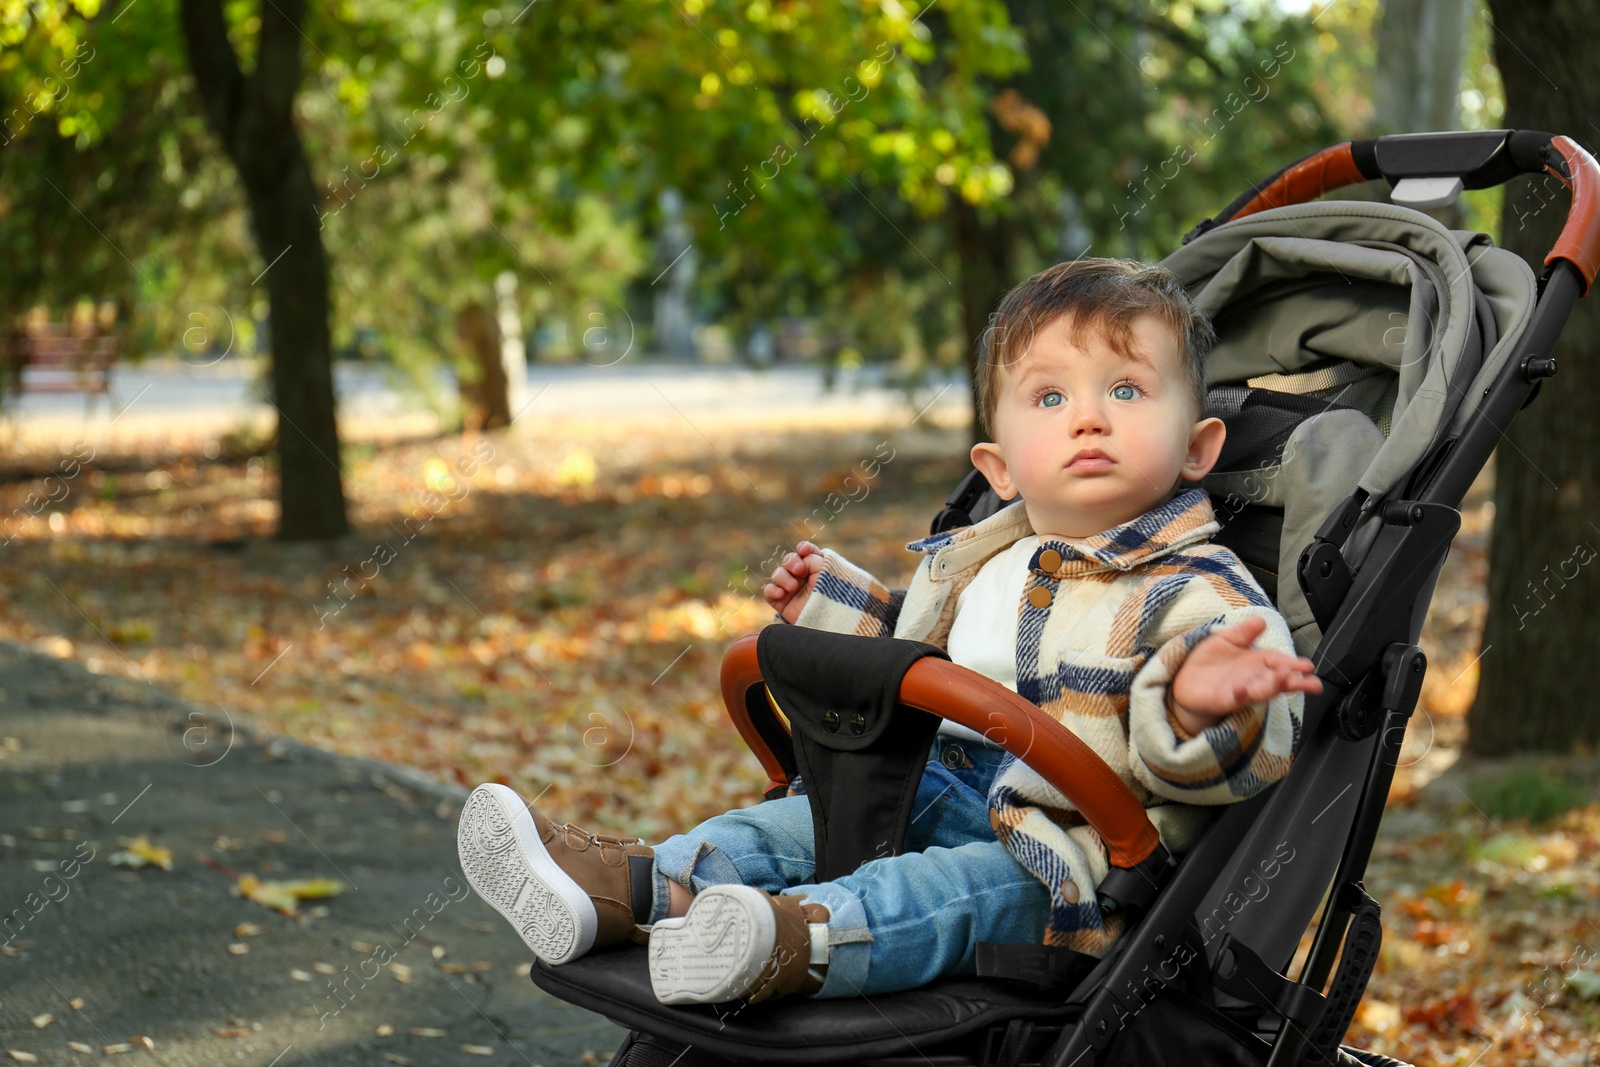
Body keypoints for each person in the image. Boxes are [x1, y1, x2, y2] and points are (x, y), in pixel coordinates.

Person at [456, 258, 1322, 1008]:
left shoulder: (1200, 595)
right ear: (997, 465)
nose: (1088, 417)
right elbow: (913, 656)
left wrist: (1203, 702)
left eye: (1126, 390)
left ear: (1200, 446)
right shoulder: (982, 559)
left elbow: (1243, 758)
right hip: (914, 781)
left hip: (1055, 847)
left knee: (933, 893)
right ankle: (631, 889)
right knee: (782, 829)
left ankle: (792, 942)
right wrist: (827, 608)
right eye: (1050, 395)